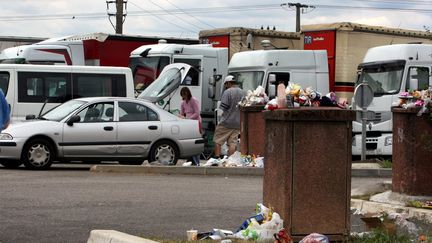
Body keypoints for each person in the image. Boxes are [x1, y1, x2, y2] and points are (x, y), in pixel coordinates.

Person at [213, 75, 245, 158]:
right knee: (232, 143)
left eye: (225, 84)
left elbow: (222, 108)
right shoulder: (242, 92)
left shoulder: (227, 92)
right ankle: (230, 160)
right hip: (237, 123)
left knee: (217, 140)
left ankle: (217, 158)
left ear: (228, 83)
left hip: (226, 122)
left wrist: (219, 120)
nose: (225, 86)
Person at [179, 87, 202, 166]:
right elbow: (182, 113)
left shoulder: (193, 100)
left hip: (195, 122)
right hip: (188, 123)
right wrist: (181, 117)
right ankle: (190, 158)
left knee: (196, 141)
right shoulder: (183, 103)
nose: (184, 97)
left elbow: (197, 113)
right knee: (189, 141)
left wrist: (188, 118)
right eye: (182, 95)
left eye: (185, 95)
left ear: (188, 93)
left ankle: (196, 160)